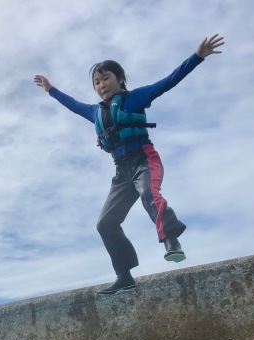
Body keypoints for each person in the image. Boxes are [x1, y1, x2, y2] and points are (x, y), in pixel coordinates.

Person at [34, 35, 224, 295]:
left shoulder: (135, 98)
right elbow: (72, 105)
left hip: (144, 160)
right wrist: (51, 90)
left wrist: (197, 57)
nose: (101, 85)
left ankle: (171, 240)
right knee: (105, 223)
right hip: (121, 172)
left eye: (106, 78)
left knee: (150, 194)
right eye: (97, 82)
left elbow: (169, 81)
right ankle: (124, 275)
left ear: (120, 78)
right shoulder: (94, 112)